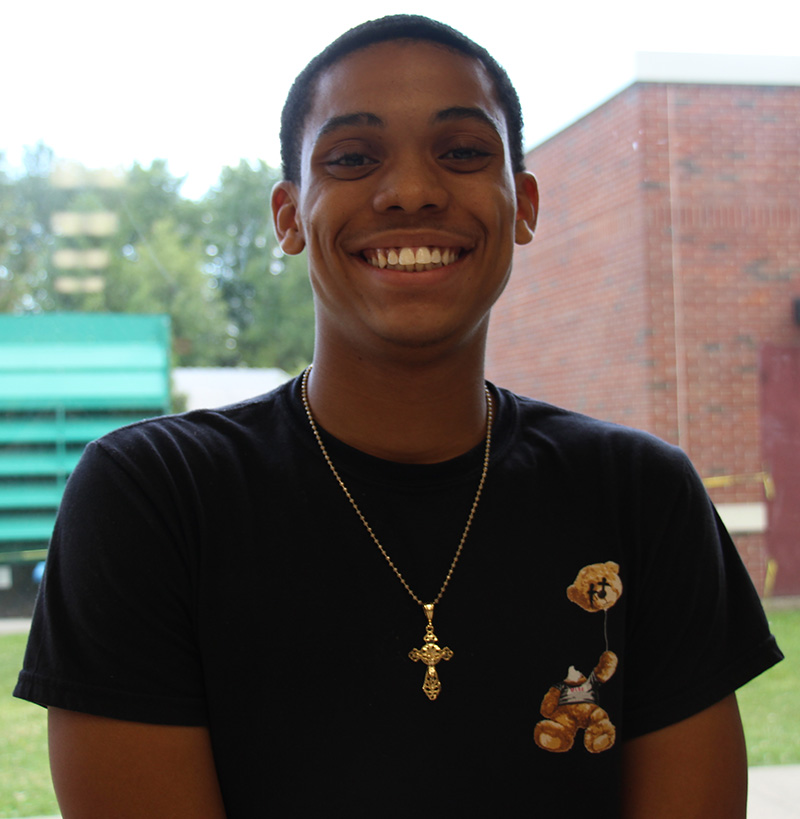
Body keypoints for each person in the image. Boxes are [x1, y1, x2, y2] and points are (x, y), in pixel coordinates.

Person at [15, 15, 782, 818]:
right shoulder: (154, 498)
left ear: (522, 204)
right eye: (352, 157)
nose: (413, 189)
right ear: (287, 216)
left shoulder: (640, 496)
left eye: (462, 152)